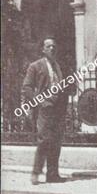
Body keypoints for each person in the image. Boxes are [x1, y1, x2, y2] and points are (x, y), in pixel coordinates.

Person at [22, 38, 69, 184]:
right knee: (44, 140)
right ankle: (36, 172)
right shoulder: (35, 66)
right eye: (49, 46)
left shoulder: (58, 66)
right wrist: (39, 101)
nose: (52, 49)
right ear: (43, 49)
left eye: (54, 46)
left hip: (58, 108)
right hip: (44, 108)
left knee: (56, 140)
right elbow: (27, 87)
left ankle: (53, 174)